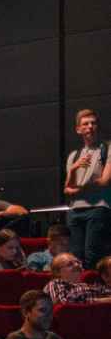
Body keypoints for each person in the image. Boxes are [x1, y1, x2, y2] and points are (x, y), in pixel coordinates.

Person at [64, 108, 110, 266]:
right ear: (78, 129)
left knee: (93, 255)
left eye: (93, 123)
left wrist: (79, 188)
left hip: (98, 208)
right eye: (85, 124)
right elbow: (67, 189)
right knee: (76, 257)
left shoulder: (108, 149)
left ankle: (95, 290)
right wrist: (74, 169)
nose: (90, 126)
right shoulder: (74, 156)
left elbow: (104, 181)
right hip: (75, 210)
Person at [43, 251, 111, 305]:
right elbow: (63, 303)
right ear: (57, 272)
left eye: (78, 262)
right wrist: (101, 301)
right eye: (70, 264)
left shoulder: (90, 285)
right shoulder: (55, 283)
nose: (77, 265)